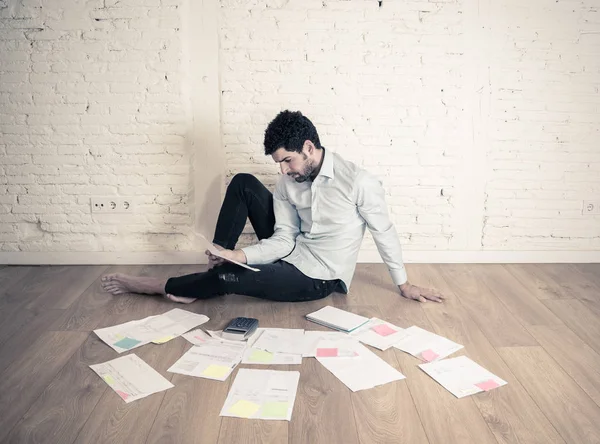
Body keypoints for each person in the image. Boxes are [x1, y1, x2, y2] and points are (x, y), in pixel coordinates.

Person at [102, 110, 444, 304]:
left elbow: (384, 232)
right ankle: (215, 267)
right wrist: (239, 254)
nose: (282, 171)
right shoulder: (289, 180)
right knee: (243, 183)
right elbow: (284, 236)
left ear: (309, 147)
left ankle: (158, 285)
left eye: (288, 161)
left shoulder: (358, 181)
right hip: (290, 251)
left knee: (230, 277)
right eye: (279, 163)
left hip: (319, 276)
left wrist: (403, 284)